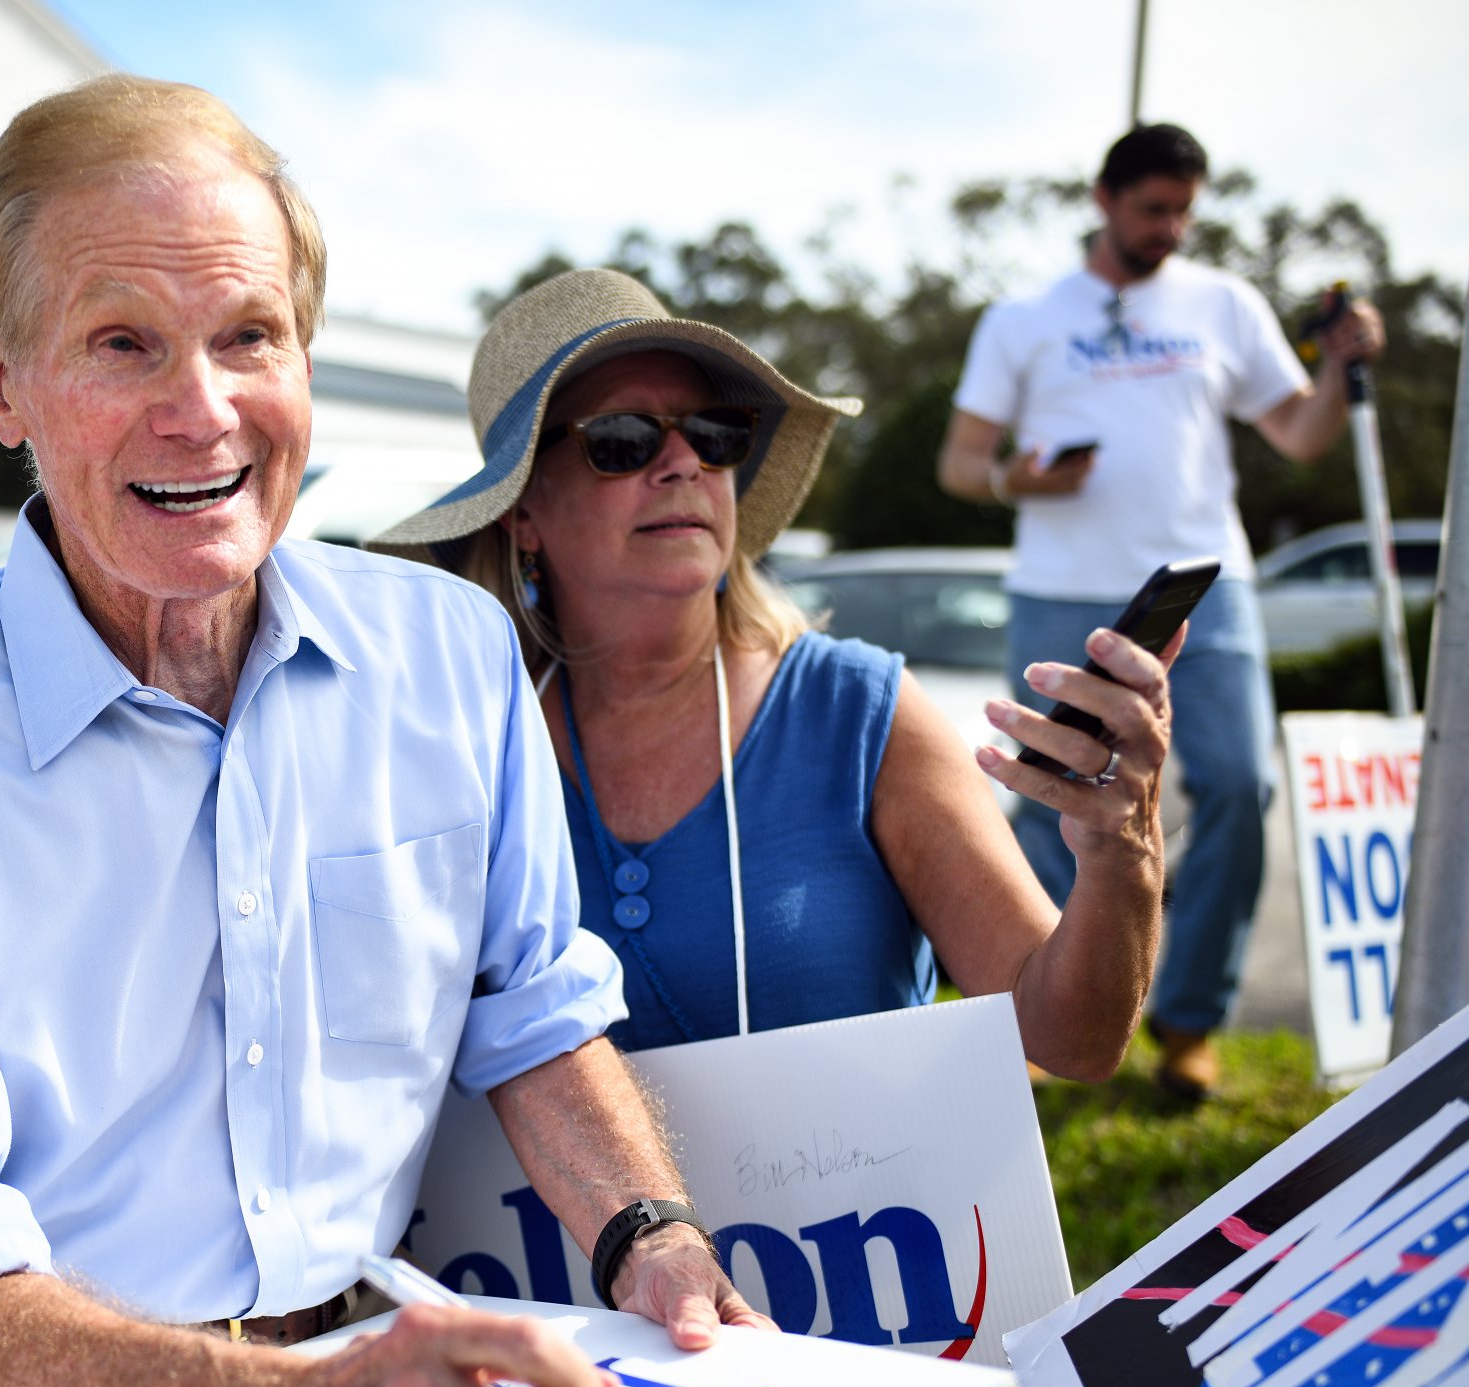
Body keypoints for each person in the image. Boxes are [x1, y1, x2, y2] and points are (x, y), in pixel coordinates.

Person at [0, 74, 767, 1387]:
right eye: (124, 343)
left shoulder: (453, 656)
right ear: (2, 388)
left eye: (249, 336)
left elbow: (533, 1011)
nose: (202, 408)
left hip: (376, 1371)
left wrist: (653, 1237)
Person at [372, 268, 1172, 1078]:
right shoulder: (465, 748)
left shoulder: (859, 713)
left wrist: (1121, 851)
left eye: (714, 433)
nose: (684, 461)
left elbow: (1071, 1042)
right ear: (524, 512)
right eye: (623, 438)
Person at [939, 122, 1385, 1100]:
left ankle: (1188, 1020)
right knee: (1048, 797)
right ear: (1103, 200)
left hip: (1201, 591)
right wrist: (1019, 477)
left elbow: (1299, 431)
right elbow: (958, 464)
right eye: (1152, 208)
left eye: (1183, 209)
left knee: (1238, 786)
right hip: (1060, 590)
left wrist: (1343, 358)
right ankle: (1037, 1013)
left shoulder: (1224, 303)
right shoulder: (1024, 316)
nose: (1169, 227)